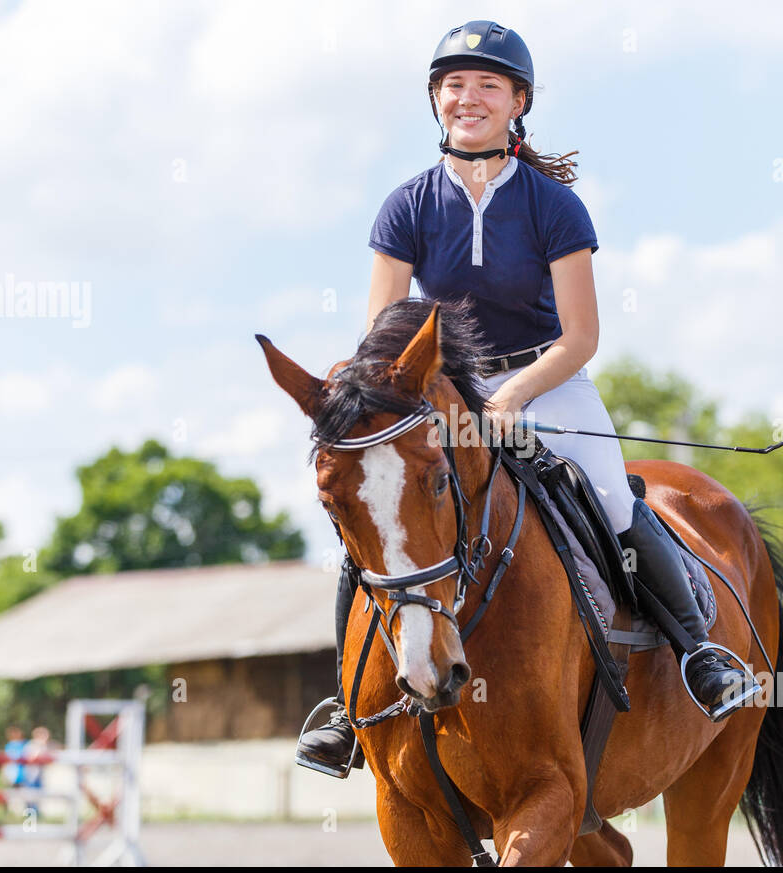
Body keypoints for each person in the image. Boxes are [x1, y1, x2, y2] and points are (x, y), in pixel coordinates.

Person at [296, 20, 757, 776]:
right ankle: (350, 707)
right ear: (435, 101)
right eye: (453, 84)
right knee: (385, 516)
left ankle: (698, 652)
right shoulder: (405, 206)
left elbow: (581, 336)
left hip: (548, 381)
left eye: (486, 85)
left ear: (518, 103)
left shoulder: (553, 205)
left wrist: (512, 395)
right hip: (442, 394)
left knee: (611, 500)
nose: (466, 97)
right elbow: (382, 335)